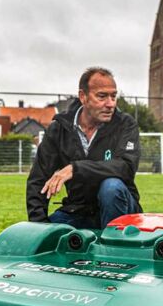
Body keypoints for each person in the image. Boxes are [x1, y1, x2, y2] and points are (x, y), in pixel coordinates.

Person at [27, 67, 142, 228]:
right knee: (46, 240)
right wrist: (38, 225)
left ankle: (113, 248)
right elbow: (38, 180)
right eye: (102, 96)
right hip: (78, 211)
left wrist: (76, 169)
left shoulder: (125, 124)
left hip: (122, 210)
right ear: (83, 96)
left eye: (113, 96)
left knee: (111, 187)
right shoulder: (60, 128)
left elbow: (126, 167)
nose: (110, 104)